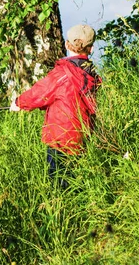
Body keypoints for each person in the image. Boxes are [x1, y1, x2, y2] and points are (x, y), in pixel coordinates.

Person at [10, 24, 101, 188]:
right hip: (85, 136)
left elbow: (40, 92)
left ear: (67, 44)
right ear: (91, 48)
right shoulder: (93, 74)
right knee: (77, 179)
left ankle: (66, 209)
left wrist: (18, 103)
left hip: (61, 138)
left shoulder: (62, 73)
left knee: (59, 181)